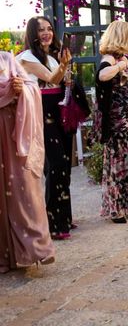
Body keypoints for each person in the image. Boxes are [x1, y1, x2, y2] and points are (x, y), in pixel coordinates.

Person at [17, 16, 74, 240]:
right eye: (41, 30)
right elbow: (51, 78)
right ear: (32, 34)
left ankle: (64, 218)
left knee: (65, 166)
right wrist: (63, 66)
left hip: (60, 110)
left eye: (49, 28)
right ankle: (52, 221)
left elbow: (61, 80)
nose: (46, 33)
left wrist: (66, 72)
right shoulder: (26, 57)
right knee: (55, 164)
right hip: (42, 112)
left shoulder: (52, 55)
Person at [0, 52, 55, 272]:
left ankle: (34, 248)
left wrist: (22, 90)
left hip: (14, 132)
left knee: (23, 189)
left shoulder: (6, 59)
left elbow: (33, 89)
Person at [95, 21, 128, 223]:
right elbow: (102, 76)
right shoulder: (109, 58)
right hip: (118, 121)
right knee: (119, 162)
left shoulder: (126, 59)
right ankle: (116, 208)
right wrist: (119, 66)